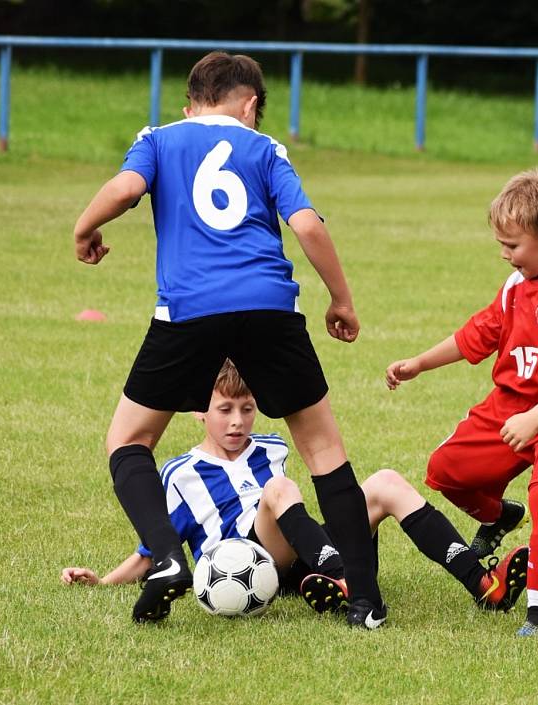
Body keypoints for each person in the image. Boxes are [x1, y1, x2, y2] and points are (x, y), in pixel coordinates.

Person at [72, 52, 385, 627]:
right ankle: (365, 602)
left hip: (188, 310)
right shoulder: (265, 149)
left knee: (129, 442)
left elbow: (123, 189)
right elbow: (308, 225)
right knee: (323, 452)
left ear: (190, 104)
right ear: (251, 105)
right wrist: (340, 300)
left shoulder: (161, 138)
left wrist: (84, 227)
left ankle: (166, 556)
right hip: (270, 305)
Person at [62, 360, 529, 618]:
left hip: (303, 547)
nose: (238, 421)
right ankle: (347, 578)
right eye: (224, 409)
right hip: (243, 560)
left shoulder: (270, 445)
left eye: (247, 408)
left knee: (385, 482)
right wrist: (104, 581)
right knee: (280, 490)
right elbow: (152, 551)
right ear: (198, 412)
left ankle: (483, 585)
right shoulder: (180, 473)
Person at [385, 168, 538, 636]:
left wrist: (537, 418)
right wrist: (420, 363)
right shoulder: (516, 287)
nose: (505, 255)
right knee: (445, 470)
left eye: (512, 246)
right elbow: (478, 333)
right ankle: (499, 516)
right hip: (511, 407)